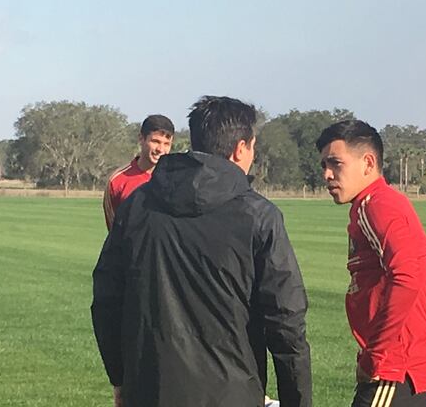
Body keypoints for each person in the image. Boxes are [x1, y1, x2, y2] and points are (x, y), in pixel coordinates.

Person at [91, 96, 312, 407]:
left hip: (150, 390)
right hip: (232, 394)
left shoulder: (137, 206)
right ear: (240, 149)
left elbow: (106, 300)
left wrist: (120, 378)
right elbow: (287, 323)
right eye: (253, 146)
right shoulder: (258, 216)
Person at [316, 120, 426, 407]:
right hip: (403, 368)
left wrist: (375, 356)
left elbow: (407, 277)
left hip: (398, 369)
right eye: (324, 165)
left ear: (368, 162)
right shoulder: (371, 205)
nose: (327, 174)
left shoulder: (378, 205)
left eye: (336, 163)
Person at [103, 114, 174, 230]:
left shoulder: (177, 178)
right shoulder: (116, 181)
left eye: (166, 144)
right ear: (141, 139)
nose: (161, 149)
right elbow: (114, 231)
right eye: (155, 141)